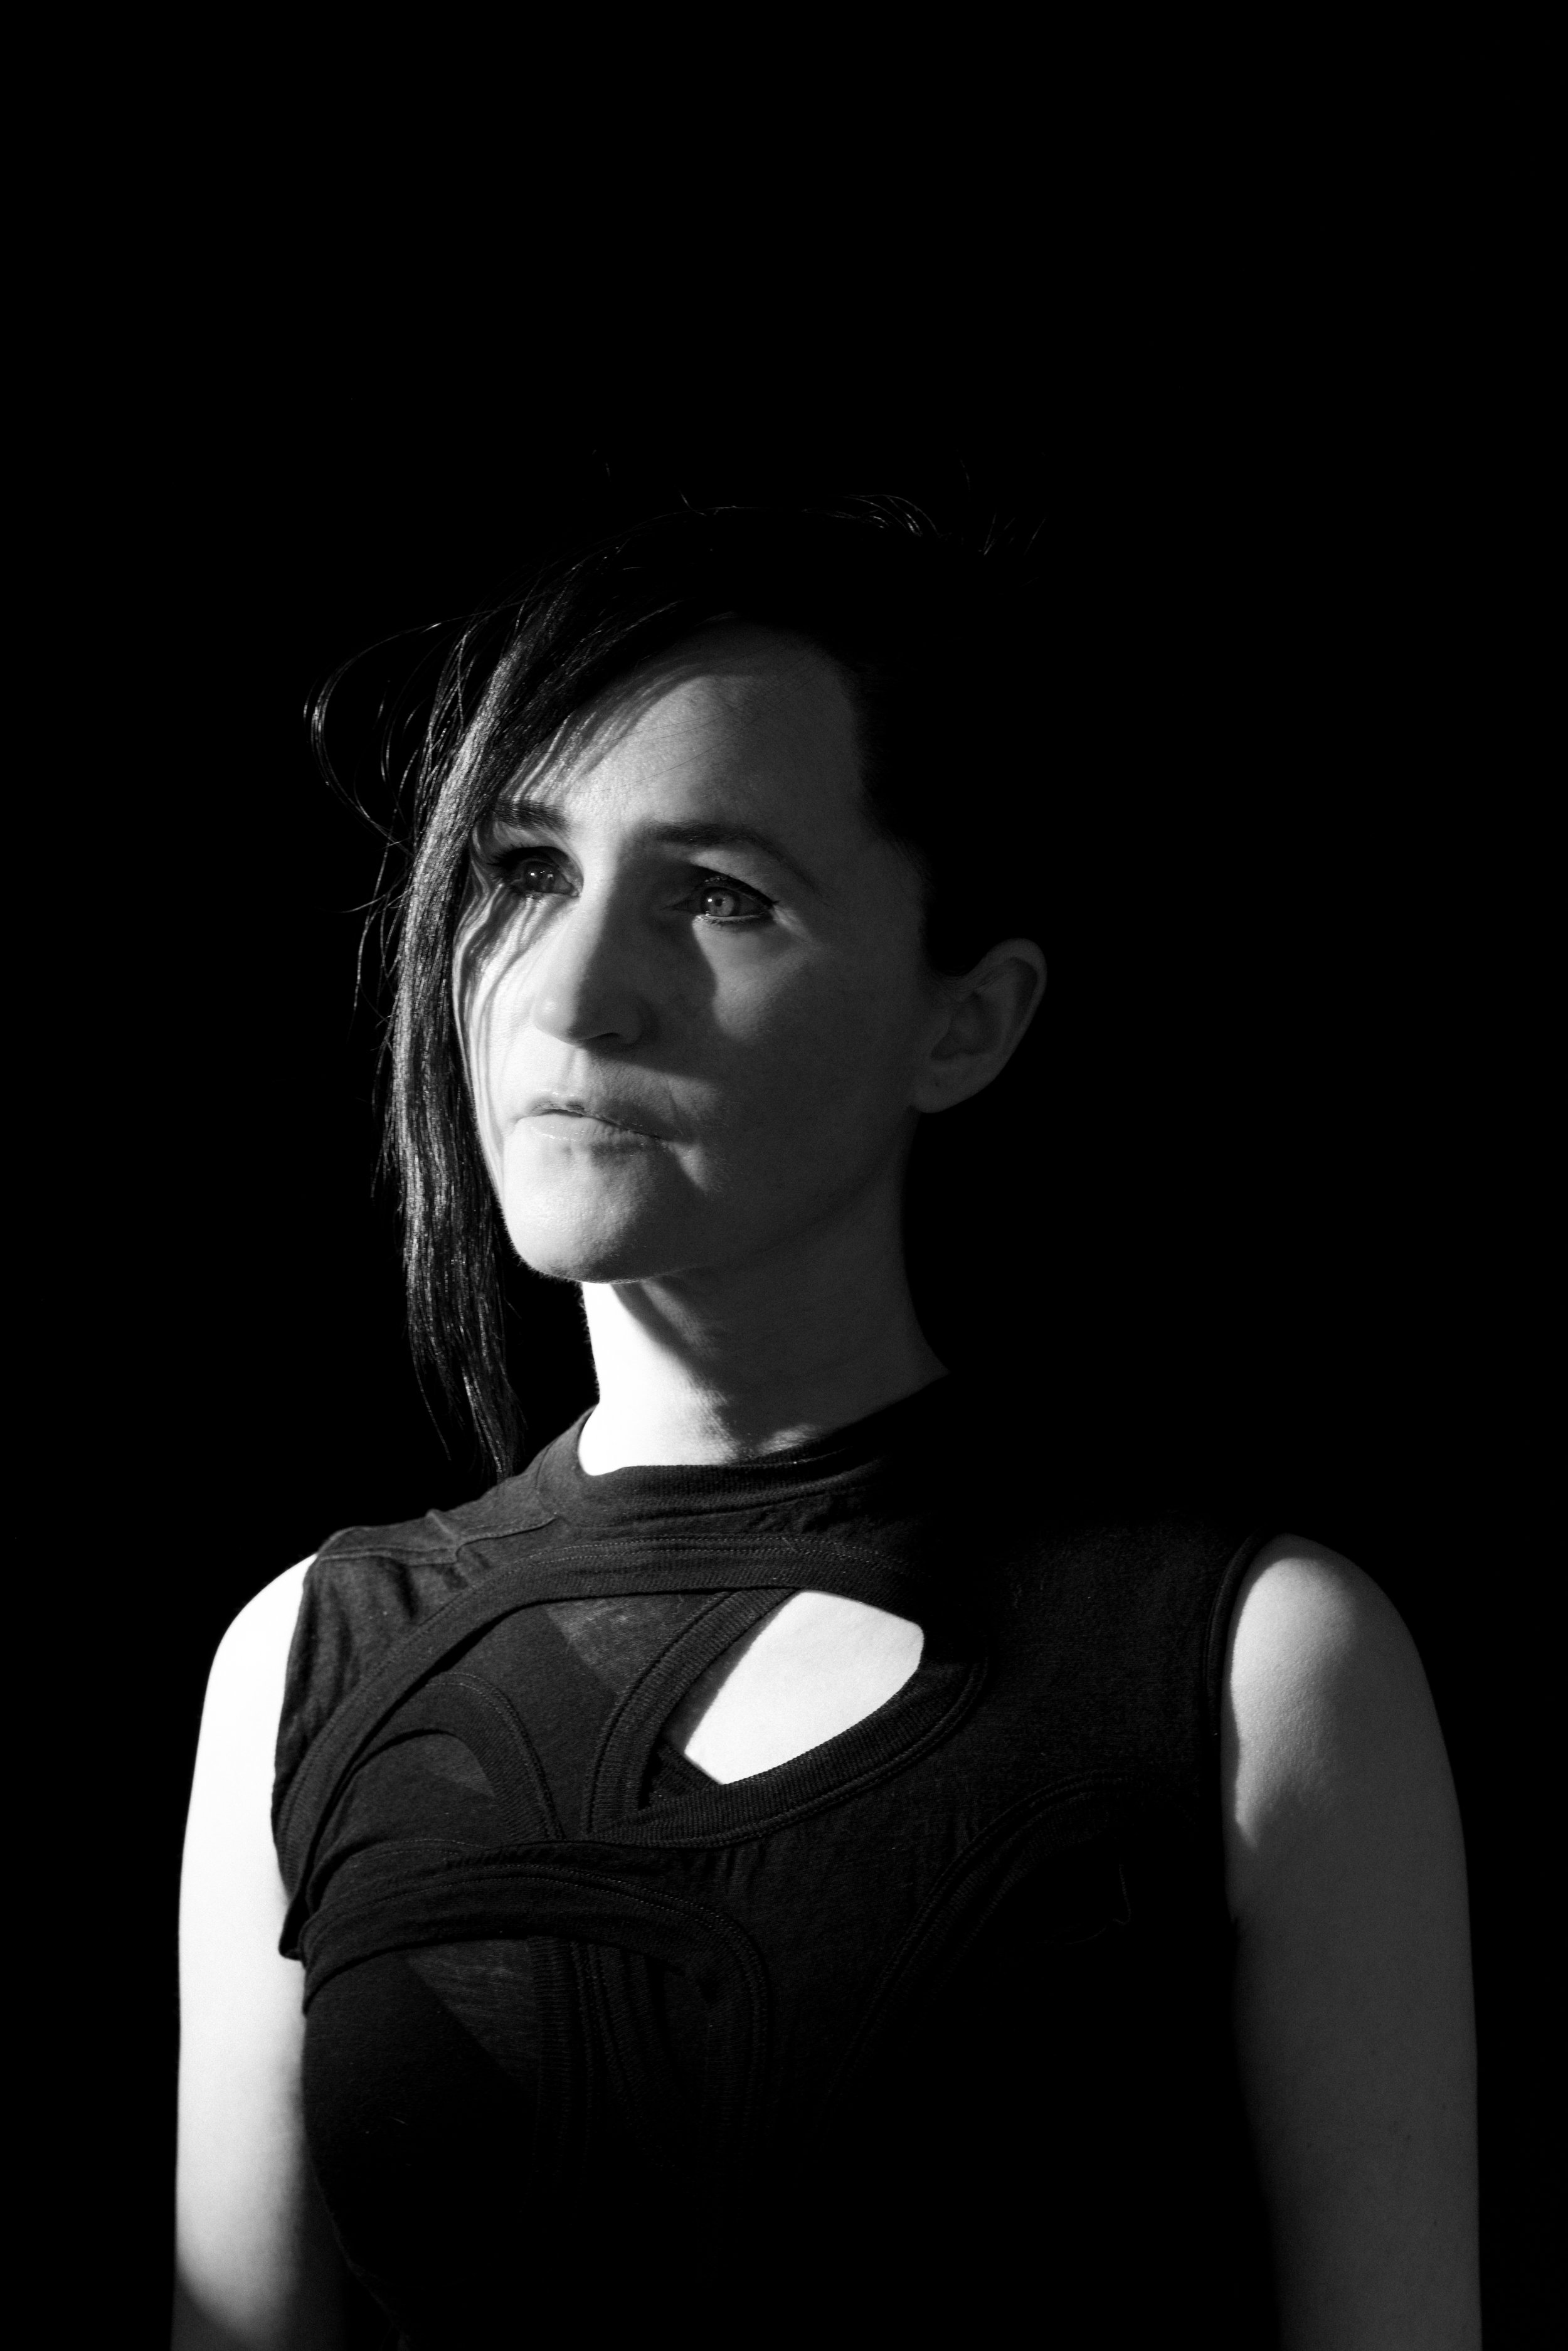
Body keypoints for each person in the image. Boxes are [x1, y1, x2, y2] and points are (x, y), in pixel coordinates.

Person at [172, 503, 1479, 2348]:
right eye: (526, 868)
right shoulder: (307, 1659)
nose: (574, 993)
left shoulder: (1253, 1664)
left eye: (720, 893)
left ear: (968, 1021)